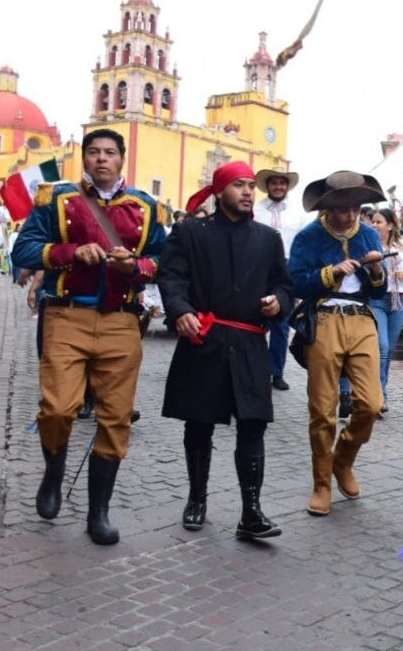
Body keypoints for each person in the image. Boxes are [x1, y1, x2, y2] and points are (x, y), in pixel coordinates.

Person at [11, 129, 166, 545]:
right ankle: (53, 472)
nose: (101, 159)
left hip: (121, 321)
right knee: (58, 408)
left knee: (115, 418)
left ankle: (99, 511)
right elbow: (22, 250)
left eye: (110, 153)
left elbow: (164, 261)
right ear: (84, 158)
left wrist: (135, 267)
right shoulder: (56, 199)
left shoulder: (146, 207)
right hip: (67, 315)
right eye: (94, 152)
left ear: (122, 159)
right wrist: (68, 253)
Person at [159, 161, 292, 540]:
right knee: (199, 424)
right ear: (220, 192)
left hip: (249, 343)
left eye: (251, 185)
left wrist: (277, 303)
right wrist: (181, 310)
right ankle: (196, 498)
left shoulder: (268, 239)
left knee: (253, 425)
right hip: (206, 339)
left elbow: (285, 286)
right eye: (239, 185)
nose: (249, 192)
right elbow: (171, 277)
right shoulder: (189, 232)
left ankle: (252, 511)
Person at [288, 171, 387, 517]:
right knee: (323, 409)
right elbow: (296, 283)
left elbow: (378, 291)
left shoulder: (370, 234)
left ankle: (343, 459)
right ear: (328, 208)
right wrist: (331, 273)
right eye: (343, 209)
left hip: (361, 318)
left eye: (355, 209)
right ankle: (322, 483)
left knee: (372, 403)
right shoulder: (308, 238)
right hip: (323, 319)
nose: (350, 216)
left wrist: (376, 274)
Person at [252, 168, 302, 391]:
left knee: (281, 324)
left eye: (282, 183)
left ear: (287, 186)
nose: (278, 187)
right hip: (258, 268)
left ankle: (276, 372)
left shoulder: (297, 213)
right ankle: (255, 368)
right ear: (268, 186)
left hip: (287, 269)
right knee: (255, 320)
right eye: (274, 183)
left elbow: (301, 246)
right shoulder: (255, 210)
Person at [368, 206, 403, 414]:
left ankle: (380, 392)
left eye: (378, 222)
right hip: (377, 299)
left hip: (398, 302)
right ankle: (377, 396)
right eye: (373, 222)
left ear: (390, 225)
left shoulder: (402, 247)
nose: (374, 225)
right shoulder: (369, 245)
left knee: (388, 350)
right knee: (382, 347)